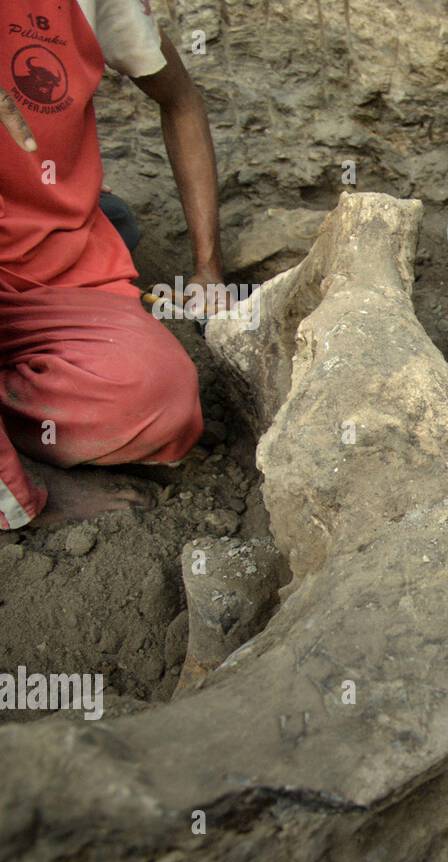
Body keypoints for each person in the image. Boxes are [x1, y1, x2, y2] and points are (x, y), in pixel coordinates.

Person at [0, 0, 223, 529]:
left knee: (159, 402)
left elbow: (181, 101)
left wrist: (207, 267)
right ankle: (19, 491)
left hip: (48, 264)